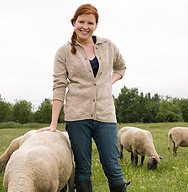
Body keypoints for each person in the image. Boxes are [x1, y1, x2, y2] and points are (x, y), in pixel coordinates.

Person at [39, 3, 129, 192]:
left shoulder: (108, 46)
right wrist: (53, 124)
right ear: (74, 22)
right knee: (83, 169)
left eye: (90, 22)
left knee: (113, 167)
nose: (85, 26)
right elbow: (59, 86)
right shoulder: (63, 52)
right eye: (81, 21)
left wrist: (108, 82)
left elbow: (121, 68)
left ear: (96, 25)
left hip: (105, 116)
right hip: (77, 117)